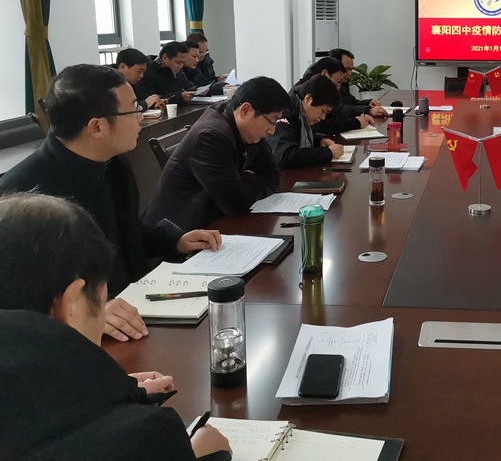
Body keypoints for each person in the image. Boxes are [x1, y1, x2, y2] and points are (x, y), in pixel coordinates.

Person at [0, 192, 231, 461]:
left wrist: (104, 392)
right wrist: (206, 455)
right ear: (71, 304)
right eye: (103, 295)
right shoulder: (148, 436)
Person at [0, 65, 221, 342]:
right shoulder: (24, 195)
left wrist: (175, 240)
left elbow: (125, 230)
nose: (140, 117)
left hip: (137, 307)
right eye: (134, 109)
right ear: (97, 127)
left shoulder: (114, 166)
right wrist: (90, 312)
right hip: (76, 340)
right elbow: (16, 300)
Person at [144, 76, 291, 231]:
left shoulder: (246, 127)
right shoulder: (210, 136)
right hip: (176, 233)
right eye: (272, 122)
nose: (272, 131)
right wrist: (249, 177)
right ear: (246, 110)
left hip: (213, 222)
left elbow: (273, 175)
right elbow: (236, 203)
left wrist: (243, 181)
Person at [269, 75, 345, 168]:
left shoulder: (302, 114)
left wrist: (320, 140)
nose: (323, 117)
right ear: (308, 99)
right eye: (323, 111)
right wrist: (328, 153)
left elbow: (298, 136)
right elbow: (286, 155)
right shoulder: (285, 115)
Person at [327, 48, 389, 117]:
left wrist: (368, 103)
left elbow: (352, 102)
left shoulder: (343, 82)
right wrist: (368, 110)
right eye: (346, 69)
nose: (349, 73)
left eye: (351, 69)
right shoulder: (324, 84)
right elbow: (337, 109)